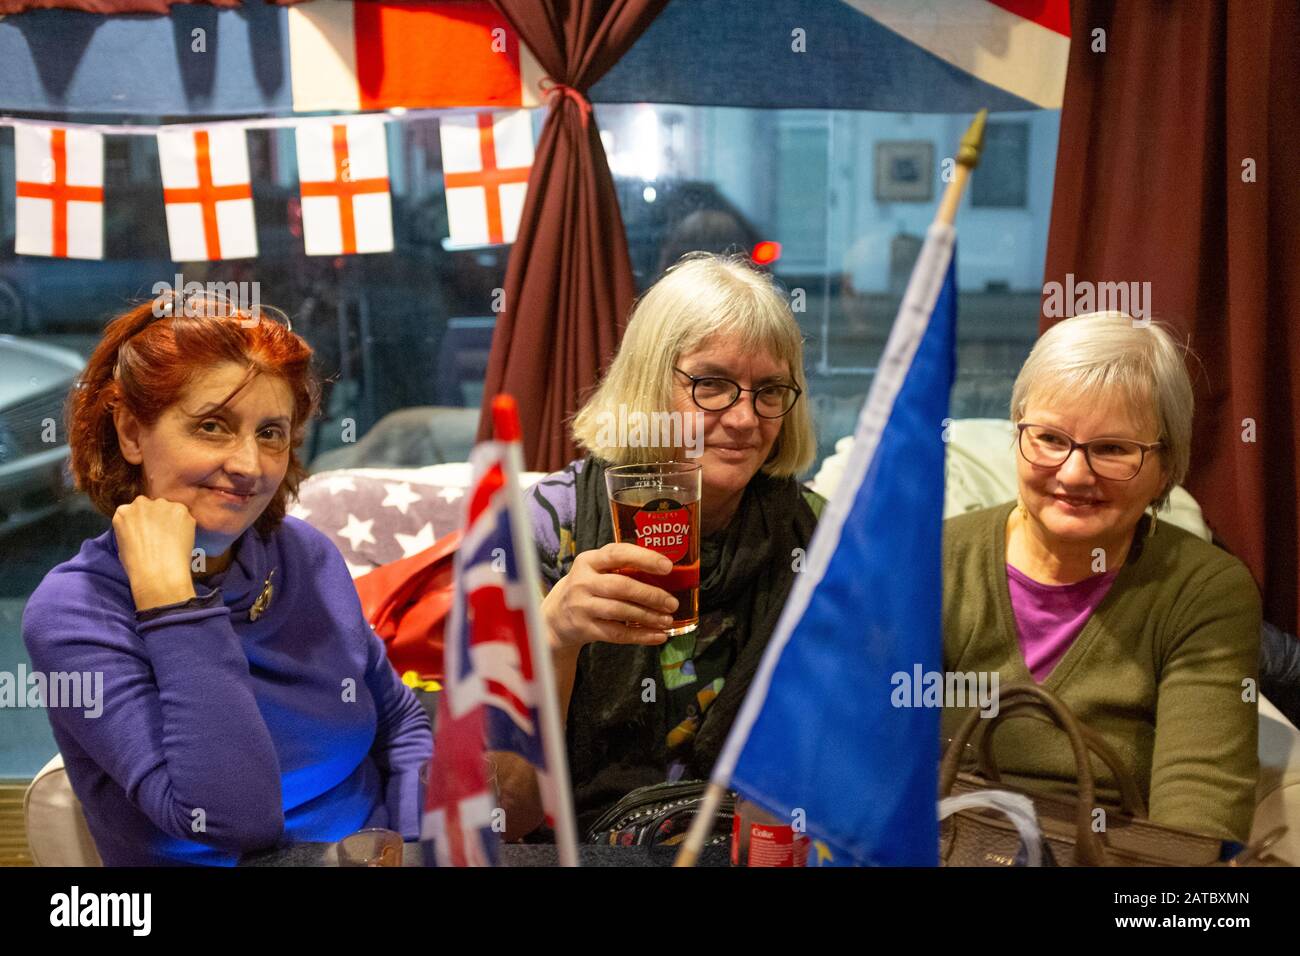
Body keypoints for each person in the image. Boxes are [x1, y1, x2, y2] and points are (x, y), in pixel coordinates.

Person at [22, 293, 432, 865]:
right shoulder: (75, 611)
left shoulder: (303, 555)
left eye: (271, 433)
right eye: (212, 426)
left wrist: (415, 845)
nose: (249, 465)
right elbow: (232, 819)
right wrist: (174, 606)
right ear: (131, 432)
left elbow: (401, 720)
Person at [497, 254, 824, 837]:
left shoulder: (815, 537)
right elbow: (501, 817)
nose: (746, 418)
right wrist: (553, 634)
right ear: (649, 380)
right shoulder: (546, 526)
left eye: (769, 389)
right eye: (713, 384)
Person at [942, 311, 1260, 846]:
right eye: (1048, 438)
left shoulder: (1205, 590)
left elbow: (1196, 823)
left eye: (1112, 449)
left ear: (1166, 466)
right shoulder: (938, 559)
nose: (1072, 473)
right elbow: (868, 759)